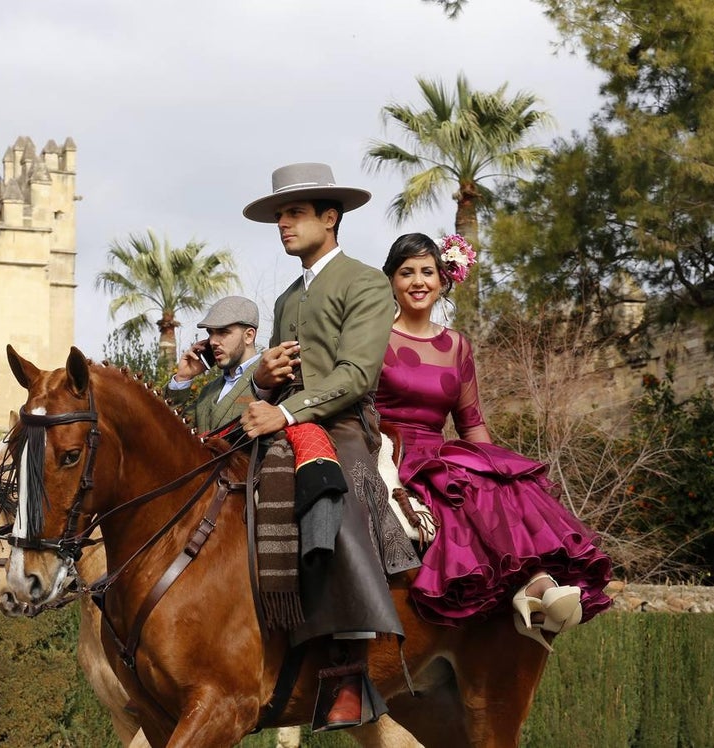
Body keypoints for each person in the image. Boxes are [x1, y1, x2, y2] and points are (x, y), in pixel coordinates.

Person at [239, 162, 418, 730]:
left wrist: (286, 410)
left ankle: (346, 665)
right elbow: (275, 375)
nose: (283, 225)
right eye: (279, 216)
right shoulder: (288, 297)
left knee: (328, 493)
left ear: (330, 218)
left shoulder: (365, 282)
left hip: (342, 427)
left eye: (293, 214)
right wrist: (264, 378)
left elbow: (357, 375)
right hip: (280, 417)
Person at [377, 232, 612, 650]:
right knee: (455, 491)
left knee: (497, 484)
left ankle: (535, 586)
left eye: (427, 271)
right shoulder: (376, 338)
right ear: (391, 281)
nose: (418, 281)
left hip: (439, 448)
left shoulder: (457, 346)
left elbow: (471, 423)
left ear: (443, 280)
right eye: (406, 272)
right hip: (388, 450)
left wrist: (497, 470)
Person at [165, 295, 261, 433]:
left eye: (222, 332)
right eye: (211, 333)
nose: (212, 341)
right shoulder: (209, 391)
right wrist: (182, 378)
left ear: (249, 336)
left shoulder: (268, 378)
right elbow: (173, 431)